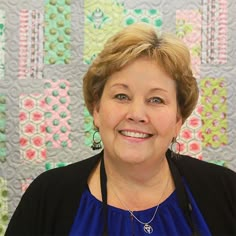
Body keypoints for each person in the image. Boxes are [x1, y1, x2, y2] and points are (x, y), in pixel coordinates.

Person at [6, 23, 236, 236]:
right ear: (97, 109)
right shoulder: (48, 195)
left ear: (178, 119)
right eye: (121, 96)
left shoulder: (225, 190)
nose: (136, 114)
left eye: (156, 100)